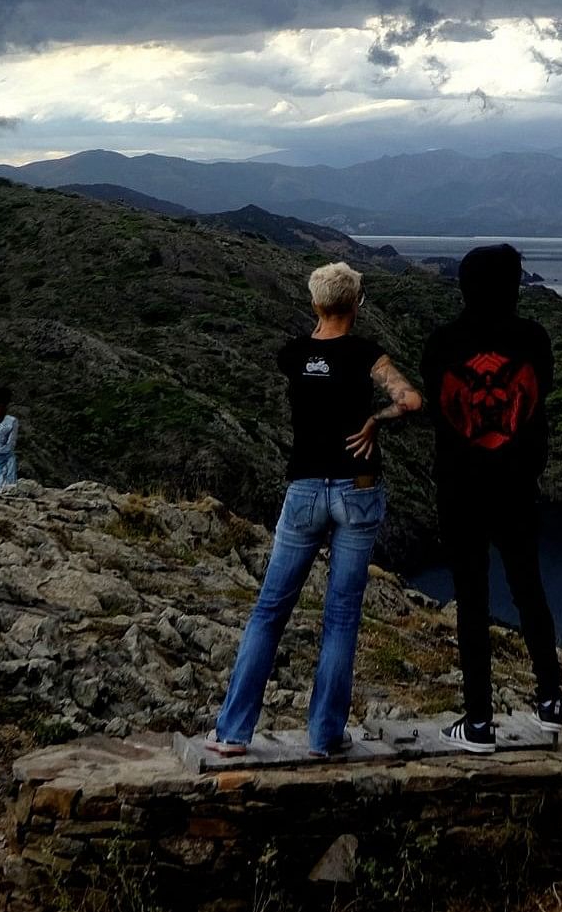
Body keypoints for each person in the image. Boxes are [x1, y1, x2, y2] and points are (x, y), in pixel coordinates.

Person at [204, 262, 422, 758]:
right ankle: (325, 735)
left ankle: (234, 733)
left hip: (304, 490)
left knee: (269, 611)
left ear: (315, 303)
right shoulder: (368, 354)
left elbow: (311, 359)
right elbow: (410, 400)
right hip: (358, 490)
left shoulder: (293, 354)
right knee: (341, 615)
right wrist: (374, 418)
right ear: (358, 304)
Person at [422, 243, 562, 752]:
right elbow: (537, 395)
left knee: (471, 602)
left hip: (460, 488)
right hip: (517, 487)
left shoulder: (442, 343)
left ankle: (478, 721)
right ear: (513, 284)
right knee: (530, 589)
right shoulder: (533, 339)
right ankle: (550, 699)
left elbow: (438, 410)